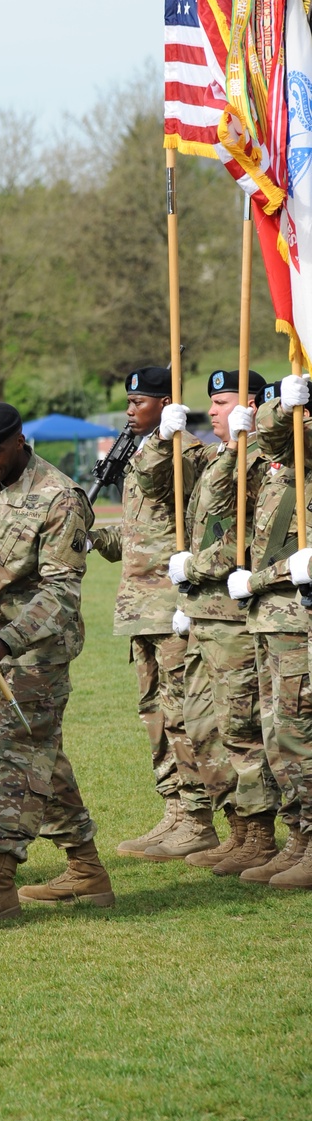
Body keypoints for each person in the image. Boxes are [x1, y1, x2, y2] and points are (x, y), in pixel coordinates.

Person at [0, 402, 114, 923]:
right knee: (41, 754)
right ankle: (86, 869)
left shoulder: (59, 497)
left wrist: (9, 639)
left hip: (37, 650)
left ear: (18, 441)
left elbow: (62, 593)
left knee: (19, 758)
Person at [159, 371, 281, 871]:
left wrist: (197, 568)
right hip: (203, 610)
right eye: (209, 403)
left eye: (222, 401)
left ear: (250, 405)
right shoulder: (218, 455)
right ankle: (238, 826)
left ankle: (260, 834)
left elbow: (247, 541)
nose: (211, 411)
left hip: (232, 611)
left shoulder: (257, 460)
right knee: (205, 726)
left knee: (242, 725)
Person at [89, 366, 211, 857]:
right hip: (138, 605)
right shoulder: (144, 450)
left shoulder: (187, 454)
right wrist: (94, 537)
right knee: (154, 713)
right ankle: (175, 809)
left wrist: (169, 437)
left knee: (183, 713)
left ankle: (198, 817)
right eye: (128, 401)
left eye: (139, 402)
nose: (129, 411)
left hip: (171, 606)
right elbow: (138, 536)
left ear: (166, 403)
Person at [226, 376, 312, 886]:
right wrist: (264, 420)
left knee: (299, 731)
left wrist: (258, 579)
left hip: (296, 614)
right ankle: (299, 836)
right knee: (277, 733)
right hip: (270, 616)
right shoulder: (284, 459)